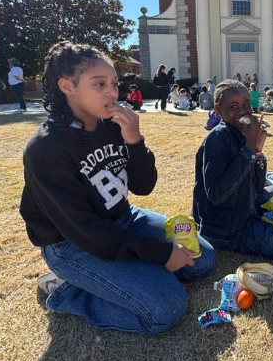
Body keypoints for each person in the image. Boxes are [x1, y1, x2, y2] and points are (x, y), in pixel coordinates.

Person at [22, 41, 215, 335]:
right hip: (73, 244)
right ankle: (67, 291)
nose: (112, 92)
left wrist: (134, 140)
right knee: (166, 308)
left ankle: (125, 279)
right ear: (67, 86)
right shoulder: (46, 149)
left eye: (113, 83)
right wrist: (161, 254)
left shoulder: (112, 124)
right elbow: (86, 230)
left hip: (123, 218)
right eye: (99, 84)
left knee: (202, 259)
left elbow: (144, 186)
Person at [193, 81, 273, 261]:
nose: (242, 111)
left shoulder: (243, 132)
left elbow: (258, 187)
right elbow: (216, 194)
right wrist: (249, 149)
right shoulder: (217, 138)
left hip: (248, 202)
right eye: (233, 107)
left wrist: (257, 153)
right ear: (218, 109)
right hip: (228, 228)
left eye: (246, 105)